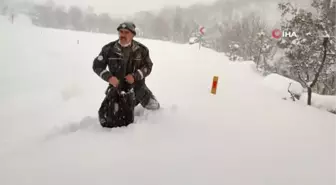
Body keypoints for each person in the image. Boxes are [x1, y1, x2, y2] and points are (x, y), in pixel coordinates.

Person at [92, 22, 160, 112]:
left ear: (133, 35)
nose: (123, 35)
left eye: (126, 32)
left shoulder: (141, 50)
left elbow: (148, 66)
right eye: (121, 32)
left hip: (138, 88)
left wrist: (135, 76)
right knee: (111, 115)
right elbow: (97, 66)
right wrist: (109, 78)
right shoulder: (108, 49)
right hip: (117, 89)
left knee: (155, 108)